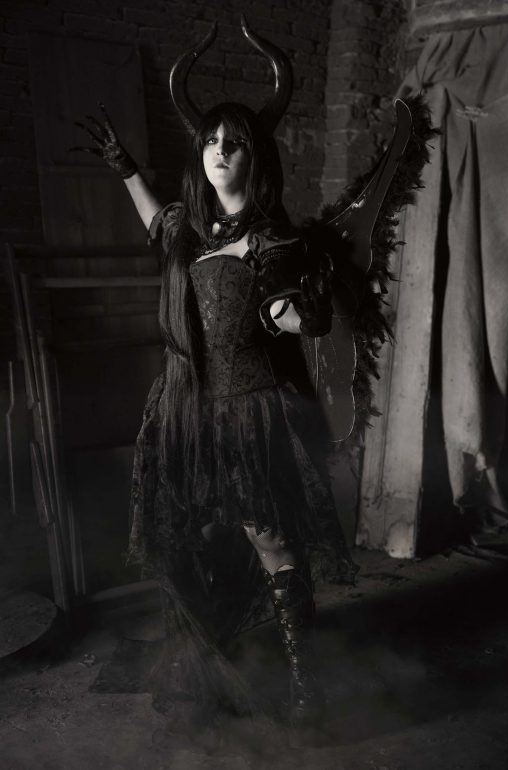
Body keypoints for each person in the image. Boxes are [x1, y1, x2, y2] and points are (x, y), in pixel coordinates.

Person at [73, 26, 358, 730]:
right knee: (189, 537)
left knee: (270, 539)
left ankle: (306, 689)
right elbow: (156, 221)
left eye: (234, 143)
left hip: (249, 408)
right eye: (210, 141)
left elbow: (299, 316)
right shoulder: (188, 231)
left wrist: (299, 312)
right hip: (185, 410)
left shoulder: (275, 242)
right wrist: (126, 168)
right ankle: (213, 661)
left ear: (256, 156)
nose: (220, 151)